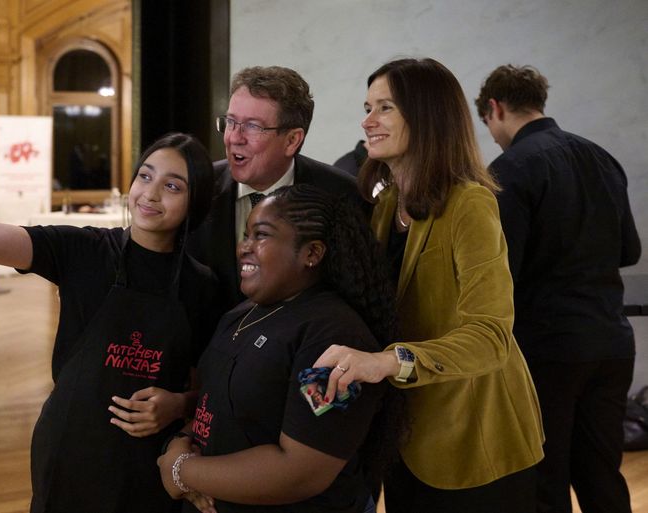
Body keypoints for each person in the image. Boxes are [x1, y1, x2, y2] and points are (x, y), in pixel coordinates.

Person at [0, 109, 220, 513]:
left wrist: (179, 404)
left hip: (150, 460)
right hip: (71, 445)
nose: (151, 193)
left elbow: (207, 386)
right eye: (145, 176)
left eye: (172, 185)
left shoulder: (203, 285)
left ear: (196, 202)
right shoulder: (83, 251)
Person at [313, 58, 545, 513]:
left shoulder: (470, 203)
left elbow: (490, 338)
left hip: (475, 442)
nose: (367, 120)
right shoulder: (386, 206)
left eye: (385, 108)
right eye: (367, 106)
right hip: (407, 439)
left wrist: (387, 362)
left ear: (427, 115)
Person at [158, 184, 403, 513]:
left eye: (260, 235)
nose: (244, 247)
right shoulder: (241, 313)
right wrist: (180, 443)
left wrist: (182, 472)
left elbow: (301, 471)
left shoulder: (335, 335)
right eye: (245, 235)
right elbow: (214, 405)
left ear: (312, 253)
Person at [475, 64, 641, 513]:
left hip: (548, 348)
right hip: (611, 341)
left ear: (495, 108)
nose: (492, 135)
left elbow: (501, 268)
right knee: (602, 474)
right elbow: (629, 250)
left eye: (488, 125)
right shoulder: (602, 157)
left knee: (543, 479)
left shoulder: (509, 169)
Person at [187, 65, 369, 310]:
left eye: (252, 126)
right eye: (231, 122)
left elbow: (355, 296)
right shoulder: (197, 187)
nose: (234, 138)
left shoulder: (342, 195)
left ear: (292, 140)